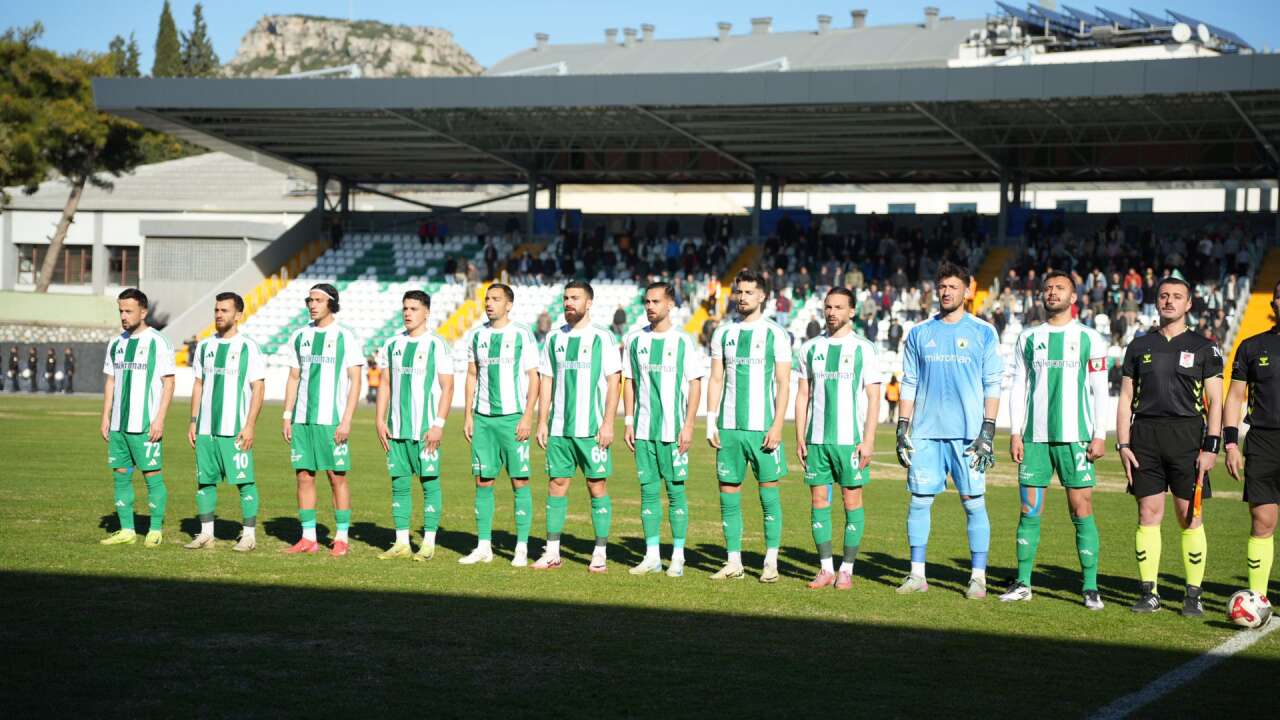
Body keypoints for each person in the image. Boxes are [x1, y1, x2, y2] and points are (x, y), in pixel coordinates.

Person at [1117, 274, 1222, 616]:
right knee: (1148, 513)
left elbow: (1216, 402)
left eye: (1177, 296)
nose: (1169, 301)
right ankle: (1150, 593)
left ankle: (1193, 595)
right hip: (1144, 437)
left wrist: (1211, 447)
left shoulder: (1205, 348)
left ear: (1189, 304)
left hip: (1187, 438)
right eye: (1164, 295)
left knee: (1188, 515)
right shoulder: (1139, 346)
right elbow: (1126, 398)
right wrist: (1123, 443)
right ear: (1156, 300)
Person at [895, 262, 1002, 599]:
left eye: (953, 287)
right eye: (941, 287)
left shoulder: (984, 332)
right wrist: (902, 427)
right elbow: (909, 383)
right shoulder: (919, 333)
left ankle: (978, 577)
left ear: (967, 291)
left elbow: (993, 384)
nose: (946, 292)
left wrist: (987, 430)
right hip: (926, 433)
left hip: (969, 436)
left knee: (973, 503)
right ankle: (916, 575)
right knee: (919, 501)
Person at [1003, 272, 1108, 610]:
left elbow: (1100, 389)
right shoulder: (1028, 338)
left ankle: (1090, 586)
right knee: (1029, 509)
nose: (1051, 293)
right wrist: (1015, 432)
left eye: (1059, 288)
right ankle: (1023, 583)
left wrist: (1100, 434)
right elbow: (1019, 386)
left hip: (1076, 437)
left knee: (1082, 508)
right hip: (1034, 438)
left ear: (1074, 297)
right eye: (1047, 288)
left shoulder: (1090, 339)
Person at [706, 269, 792, 582]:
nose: (742, 297)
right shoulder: (723, 333)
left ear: (762, 296)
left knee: (768, 495)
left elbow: (784, 383)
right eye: (739, 292)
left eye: (748, 292)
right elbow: (716, 378)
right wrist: (711, 421)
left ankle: (771, 561)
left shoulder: (776, 334)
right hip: (728, 428)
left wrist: (778, 424)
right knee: (728, 493)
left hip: (762, 428)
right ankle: (733, 561)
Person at [794, 287, 882, 590]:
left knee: (851, 501)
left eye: (839, 307)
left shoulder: (864, 349)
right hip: (817, 440)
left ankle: (847, 568)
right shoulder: (809, 349)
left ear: (852, 311)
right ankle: (825, 568)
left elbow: (874, 398)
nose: (832, 312)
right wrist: (800, 436)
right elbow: (803, 394)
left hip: (850, 440)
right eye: (828, 307)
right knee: (818, 501)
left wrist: (868, 440)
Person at [532, 281, 622, 572]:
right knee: (556, 485)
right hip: (559, 428)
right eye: (566, 298)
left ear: (589, 303)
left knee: (597, 486)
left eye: (575, 298)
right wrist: (542, 420)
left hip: (592, 428)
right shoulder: (554, 338)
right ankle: (553, 552)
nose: (569, 302)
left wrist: (609, 423)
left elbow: (613, 382)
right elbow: (546, 380)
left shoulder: (603, 338)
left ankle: (599, 551)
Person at [621, 282, 705, 577]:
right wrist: (629, 421)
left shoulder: (683, 341)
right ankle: (652, 556)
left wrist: (690, 425)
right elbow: (629, 382)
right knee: (647, 492)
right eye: (646, 301)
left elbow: (695, 383)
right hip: (643, 429)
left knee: (676, 491)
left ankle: (678, 556)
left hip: (673, 431)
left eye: (656, 301)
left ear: (670, 305)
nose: (650, 306)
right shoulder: (634, 340)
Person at [458, 284, 541, 567]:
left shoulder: (522, 334)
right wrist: (468, 415)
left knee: (520, 480)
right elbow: (472, 375)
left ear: (509, 305)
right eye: (487, 299)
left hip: (512, 419)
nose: (489, 303)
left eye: (496, 299)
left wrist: (528, 415)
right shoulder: (477, 335)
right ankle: (483, 546)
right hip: (483, 419)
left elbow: (534, 377)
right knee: (483, 481)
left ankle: (520, 547)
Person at [281, 283, 365, 557]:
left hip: (332, 420)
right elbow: (294, 377)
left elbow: (355, 380)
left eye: (317, 300)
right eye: (309, 300)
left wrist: (347, 420)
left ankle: (341, 537)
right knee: (304, 475)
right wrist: (287, 415)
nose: (312, 304)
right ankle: (308, 538)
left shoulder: (345, 336)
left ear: (331, 303)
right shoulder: (300, 336)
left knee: (336, 476)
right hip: (303, 419)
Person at [374, 290, 454, 561]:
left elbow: (447, 387)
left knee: (429, 483)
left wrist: (439, 424)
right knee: (399, 484)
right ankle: (401, 542)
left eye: (414, 309)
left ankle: (429, 543)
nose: (408, 313)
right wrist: (379, 418)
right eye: (405, 308)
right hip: (396, 429)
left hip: (425, 430)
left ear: (427, 312)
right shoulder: (392, 344)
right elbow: (385, 383)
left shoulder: (437, 345)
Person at [184, 292, 267, 552]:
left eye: (225, 310)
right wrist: (193, 420)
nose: (219, 314)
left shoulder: (248, 347)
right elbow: (198, 384)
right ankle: (206, 533)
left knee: (244, 481)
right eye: (217, 310)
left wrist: (250, 424)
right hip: (206, 428)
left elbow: (259, 388)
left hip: (235, 429)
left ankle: (249, 535)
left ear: (238, 315)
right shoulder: (206, 347)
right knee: (205, 481)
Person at [98, 288, 176, 546]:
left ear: (143, 311)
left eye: (128, 311)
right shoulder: (116, 343)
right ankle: (127, 530)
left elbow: (169, 383)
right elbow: (111, 381)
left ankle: (155, 529)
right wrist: (106, 416)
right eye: (120, 310)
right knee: (120, 474)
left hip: (144, 425)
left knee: (152, 475)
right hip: (119, 425)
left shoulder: (158, 342)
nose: (123, 315)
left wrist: (159, 419)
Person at [1222, 280, 1280, 603]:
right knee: (1262, 520)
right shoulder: (1252, 346)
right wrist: (1231, 443)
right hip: (1263, 442)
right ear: (1273, 304)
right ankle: (1258, 597)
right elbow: (1234, 398)